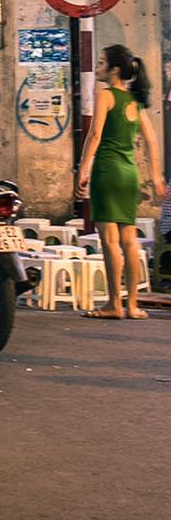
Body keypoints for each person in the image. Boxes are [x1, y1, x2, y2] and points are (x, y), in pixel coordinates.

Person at [76, 44, 166, 320]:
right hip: (130, 174)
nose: (99, 67)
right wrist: (156, 177)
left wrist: (83, 169)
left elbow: (95, 136)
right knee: (130, 241)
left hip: (107, 171)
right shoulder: (134, 101)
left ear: (114, 70)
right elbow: (151, 141)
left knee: (110, 241)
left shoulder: (106, 95)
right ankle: (132, 305)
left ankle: (114, 303)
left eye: (102, 63)